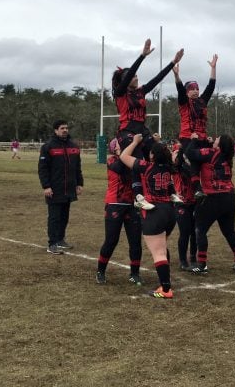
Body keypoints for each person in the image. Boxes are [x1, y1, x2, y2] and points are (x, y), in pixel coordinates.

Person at [113, 39, 184, 210]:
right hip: (127, 131)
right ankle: (138, 196)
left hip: (142, 129)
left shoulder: (140, 91)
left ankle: (170, 189)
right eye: (132, 76)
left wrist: (172, 63)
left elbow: (157, 78)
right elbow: (129, 75)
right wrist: (142, 56)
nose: (136, 78)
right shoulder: (120, 93)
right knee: (137, 159)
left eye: (137, 75)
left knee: (162, 153)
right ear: (124, 80)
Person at [119, 134, 178, 299]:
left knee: (158, 252)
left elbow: (123, 156)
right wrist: (158, 143)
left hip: (154, 210)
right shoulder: (168, 167)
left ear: (152, 155)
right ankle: (166, 281)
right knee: (162, 247)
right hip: (169, 210)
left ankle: (165, 289)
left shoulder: (145, 166)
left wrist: (135, 142)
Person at [185, 132, 235, 274]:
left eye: (217, 139)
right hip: (229, 197)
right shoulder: (227, 156)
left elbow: (189, 153)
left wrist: (193, 140)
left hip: (212, 197)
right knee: (229, 231)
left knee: (200, 229)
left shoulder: (210, 153)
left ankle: (202, 264)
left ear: (220, 144)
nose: (215, 139)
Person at [96, 138, 143, 285]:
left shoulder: (133, 160)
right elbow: (120, 168)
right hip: (115, 204)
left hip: (132, 204)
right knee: (111, 240)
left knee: (135, 241)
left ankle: (134, 273)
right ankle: (100, 271)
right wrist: (125, 152)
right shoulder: (112, 161)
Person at [172, 54, 218, 198]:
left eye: (197, 88)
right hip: (188, 137)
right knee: (190, 161)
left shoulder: (202, 101)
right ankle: (195, 187)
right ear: (187, 91)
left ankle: (207, 187)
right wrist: (177, 76)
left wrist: (213, 68)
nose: (195, 91)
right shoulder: (184, 103)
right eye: (192, 88)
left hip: (202, 137)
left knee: (206, 162)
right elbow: (179, 90)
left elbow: (210, 87)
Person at [38, 120, 83, 254]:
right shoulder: (48, 147)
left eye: (66, 128)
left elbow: (77, 168)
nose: (65, 130)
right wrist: (46, 186)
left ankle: (60, 239)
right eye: (62, 128)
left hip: (69, 188)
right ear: (55, 130)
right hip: (55, 189)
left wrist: (79, 183)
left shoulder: (73, 146)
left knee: (64, 216)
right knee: (54, 217)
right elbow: (42, 169)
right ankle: (52, 244)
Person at [171, 142, 197, 270]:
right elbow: (177, 163)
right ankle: (183, 260)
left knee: (195, 232)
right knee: (185, 232)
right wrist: (180, 151)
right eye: (174, 153)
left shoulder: (191, 166)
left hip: (194, 201)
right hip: (181, 202)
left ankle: (193, 257)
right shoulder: (176, 167)